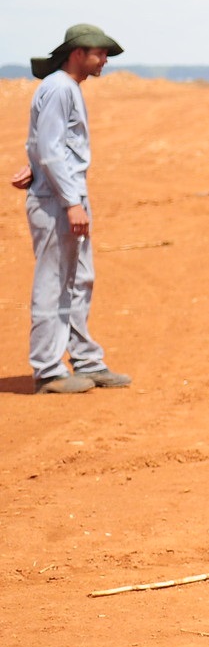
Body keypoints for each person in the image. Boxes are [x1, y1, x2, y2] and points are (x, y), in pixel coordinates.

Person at [8, 24, 132, 393]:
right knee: (54, 283)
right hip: (60, 202)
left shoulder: (65, 88)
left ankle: (86, 360)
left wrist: (37, 166)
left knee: (79, 279)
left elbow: (47, 145)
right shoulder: (60, 87)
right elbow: (49, 148)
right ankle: (48, 370)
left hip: (65, 195)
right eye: (99, 53)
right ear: (77, 53)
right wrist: (71, 202)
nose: (104, 60)